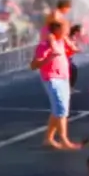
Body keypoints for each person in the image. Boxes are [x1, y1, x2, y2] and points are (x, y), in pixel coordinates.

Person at [31, 18, 77, 150]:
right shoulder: (44, 46)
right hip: (52, 78)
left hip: (63, 78)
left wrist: (72, 49)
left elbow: (66, 54)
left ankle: (48, 139)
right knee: (61, 108)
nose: (67, 31)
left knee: (59, 109)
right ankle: (64, 139)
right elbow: (34, 65)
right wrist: (49, 57)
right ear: (57, 30)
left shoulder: (60, 42)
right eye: (65, 29)